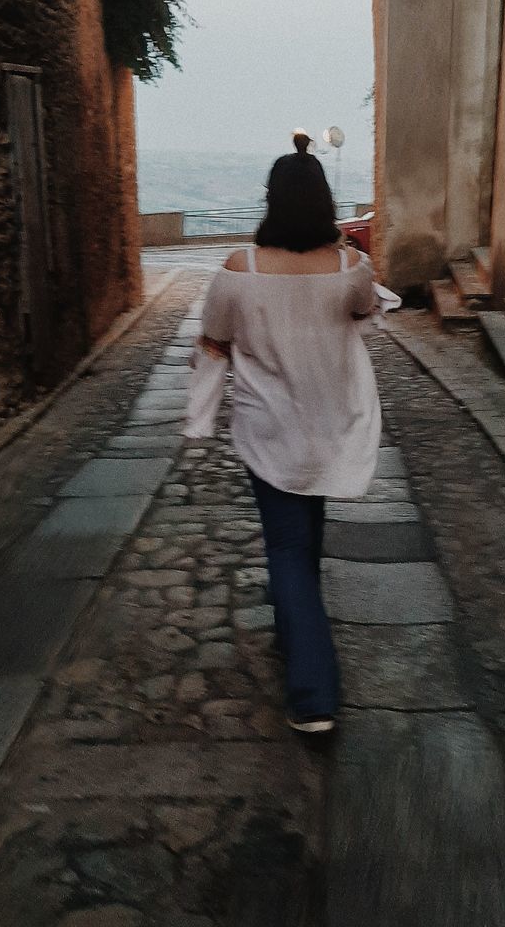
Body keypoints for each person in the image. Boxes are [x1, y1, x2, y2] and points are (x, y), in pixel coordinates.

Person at [184, 131, 381, 734]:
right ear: (324, 201)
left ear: (271, 200)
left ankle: (313, 689)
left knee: (288, 546)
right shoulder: (351, 267)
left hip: (270, 428)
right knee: (307, 533)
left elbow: (214, 345)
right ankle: (300, 635)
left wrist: (198, 420)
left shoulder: (238, 271)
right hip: (329, 420)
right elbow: (367, 310)